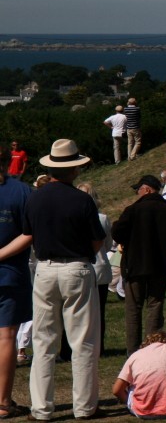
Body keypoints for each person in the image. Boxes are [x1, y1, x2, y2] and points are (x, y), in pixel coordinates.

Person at [10, 139, 105, 420]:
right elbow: (97, 240)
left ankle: (41, 408)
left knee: (43, 341)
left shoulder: (34, 197)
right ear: (74, 169)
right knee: (83, 340)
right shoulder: (82, 199)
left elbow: (30, 234)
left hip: (45, 268)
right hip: (76, 266)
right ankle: (85, 407)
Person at [112, 174, 166, 355]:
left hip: (135, 265)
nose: (137, 193)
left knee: (133, 308)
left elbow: (117, 233)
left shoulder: (133, 210)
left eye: (138, 189)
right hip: (160, 265)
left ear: (147, 189)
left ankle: (133, 350)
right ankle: (153, 348)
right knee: (155, 306)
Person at [0, 144, 31, 419]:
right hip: (9, 271)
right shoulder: (21, 191)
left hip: (9, 272)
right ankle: (2, 401)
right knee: (6, 336)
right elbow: (29, 233)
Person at [113, 331, 166, 419]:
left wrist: (129, 403)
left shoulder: (135, 356)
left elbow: (116, 390)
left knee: (132, 385)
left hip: (142, 412)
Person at [75, 183, 112, 356]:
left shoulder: (80, 217)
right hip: (99, 266)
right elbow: (109, 244)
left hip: (88, 266)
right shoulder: (103, 218)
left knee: (82, 311)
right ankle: (98, 347)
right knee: (98, 311)